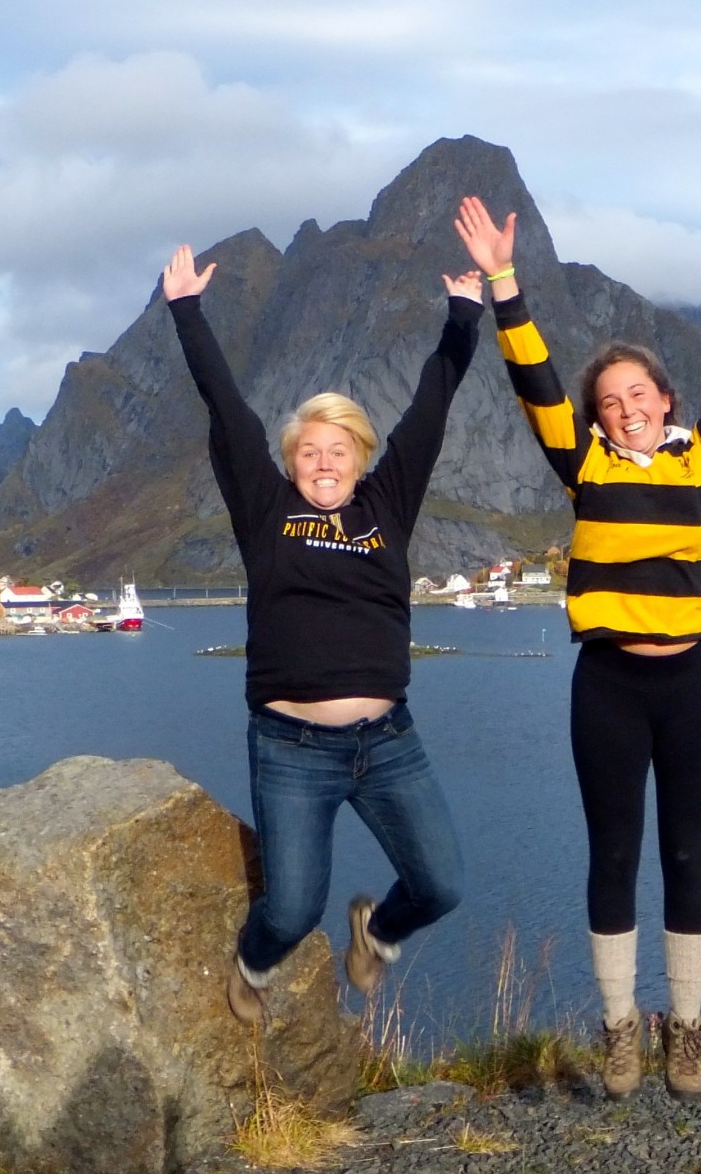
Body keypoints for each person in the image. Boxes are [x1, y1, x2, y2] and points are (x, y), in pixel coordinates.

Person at [453, 181, 701, 1099]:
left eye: (636, 393)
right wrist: (504, 284)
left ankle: (685, 1030)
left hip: (694, 683)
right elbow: (533, 381)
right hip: (607, 683)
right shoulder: (584, 462)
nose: (623, 408)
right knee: (612, 853)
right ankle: (618, 1031)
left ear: (665, 398)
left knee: (688, 853)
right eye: (608, 400)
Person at [159, 242, 484, 1024]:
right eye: (310, 451)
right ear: (291, 461)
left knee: (442, 883)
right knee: (292, 907)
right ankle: (254, 959)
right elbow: (228, 410)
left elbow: (431, 407)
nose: (325, 460)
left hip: (388, 741)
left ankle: (377, 932)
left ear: (361, 458)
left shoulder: (386, 506)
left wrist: (465, 316)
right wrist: (186, 312)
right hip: (291, 746)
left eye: (339, 449)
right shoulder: (267, 511)